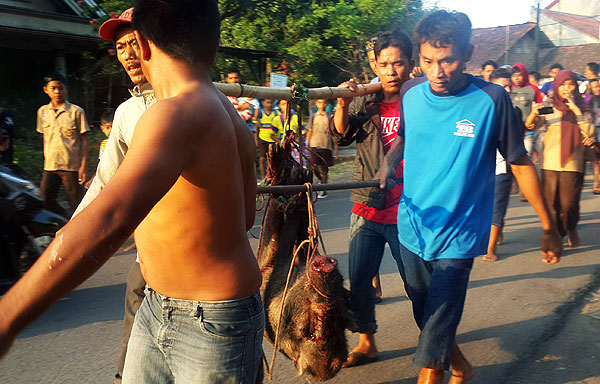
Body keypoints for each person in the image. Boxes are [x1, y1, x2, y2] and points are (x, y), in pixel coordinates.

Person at [0, 2, 265, 384]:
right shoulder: (225, 109)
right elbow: (245, 215)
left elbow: (109, 218)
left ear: (141, 43)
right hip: (161, 305)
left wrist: (7, 317)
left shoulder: (175, 112)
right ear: (214, 43)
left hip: (210, 320)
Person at [376, 10, 562, 384]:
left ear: (469, 52)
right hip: (413, 224)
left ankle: (434, 372)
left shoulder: (492, 100)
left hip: (460, 233)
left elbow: (520, 163)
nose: (437, 71)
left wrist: (548, 225)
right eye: (428, 61)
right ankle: (462, 365)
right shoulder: (411, 93)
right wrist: (389, 163)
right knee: (425, 311)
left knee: (438, 317)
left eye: (448, 60)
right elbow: (406, 137)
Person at [76, 8, 156, 383]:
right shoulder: (127, 113)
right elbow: (105, 181)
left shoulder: (198, 99)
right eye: (120, 46)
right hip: (150, 250)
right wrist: (73, 233)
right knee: (136, 303)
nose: (126, 54)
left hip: (203, 263)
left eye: (134, 43)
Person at [332, 30, 412, 368]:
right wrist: (343, 103)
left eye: (398, 63)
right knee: (360, 279)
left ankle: (438, 336)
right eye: (384, 64)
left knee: (417, 281)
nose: (391, 71)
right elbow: (343, 134)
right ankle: (367, 342)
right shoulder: (366, 100)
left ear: (410, 63)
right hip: (367, 204)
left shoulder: (421, 97)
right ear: (373, 65)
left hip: (409, 207)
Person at [525, 70, 594, 248]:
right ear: (556, 86)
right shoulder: (551, 106)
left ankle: (570, 228)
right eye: (562, 85)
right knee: (551, 203)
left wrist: (576, 110)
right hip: (550, 161)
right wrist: (533, 113)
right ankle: (556, 234)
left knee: (569, 203)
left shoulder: (583, 107)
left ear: (575, 86)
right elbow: (532, 124)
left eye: (570, 84)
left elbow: (589, 133)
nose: (566, 88)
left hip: (573, 161)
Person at [483, 68, 525, 262]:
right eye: (503, 86)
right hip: (482, 170)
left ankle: (490, 248)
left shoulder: (515, 112)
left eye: (509, 86)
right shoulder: (480, 110)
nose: (507, 90)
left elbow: (518, 142)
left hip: (503, 167)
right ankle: (495, 231)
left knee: (497, 207)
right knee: (485, 208)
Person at [36, 72, 89, 217]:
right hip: (51, 165)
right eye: (53, 88)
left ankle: (79, 232)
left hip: (71, 166)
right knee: (44, 198)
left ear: (66, 89)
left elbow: (84, 141)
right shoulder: (42, 112)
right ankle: (65, 221)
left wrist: (83, 167)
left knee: (76, 203)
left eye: (61, 88)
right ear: (46, 90)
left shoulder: (76, 112)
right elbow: (45, 138)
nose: (57, 91)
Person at [306, 99, 334, 198]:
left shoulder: (329, 116)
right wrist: (307, 143)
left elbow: (333, 132)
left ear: (326, 104)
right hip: (314, 144)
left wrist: (336, 149)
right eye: (319, 102)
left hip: (326, 145)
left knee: (324, 168)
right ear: (316, 104)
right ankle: (320, 180)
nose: (321, 104)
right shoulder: (313, 116)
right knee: (313, 166)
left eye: (323, 102)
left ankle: (323, 188)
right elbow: (310, 130)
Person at [256, 98, 280, 182]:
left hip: (273, 139)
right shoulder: (260, 113)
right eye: (268, 102)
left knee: (274, 159)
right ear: (263, 103)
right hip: (263, 138)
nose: (270, 104)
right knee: (262, 159)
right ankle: (264, 178)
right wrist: (256, 137)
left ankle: (274, 177)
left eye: (271, 102)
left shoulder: (276, 113)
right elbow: (256, 124)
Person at [585, 78, 600, 194]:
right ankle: (596, 184)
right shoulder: (587, 100)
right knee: (595, 160)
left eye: (598, 86)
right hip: (592, 132)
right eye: (594, 87)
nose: (597, 88)